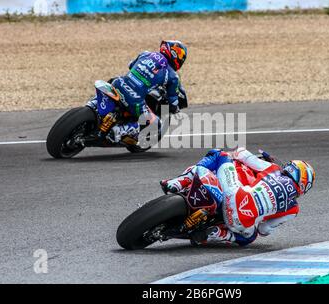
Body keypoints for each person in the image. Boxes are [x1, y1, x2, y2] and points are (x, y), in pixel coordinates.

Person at [161, 147, 316, 246]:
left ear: (291, 168)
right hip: (239, 222)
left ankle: (177, 182)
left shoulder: (273, 169)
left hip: (232, 195)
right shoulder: (293, 209)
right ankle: (218, 233)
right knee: (251, 237)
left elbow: (241, 154)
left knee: (219, 154)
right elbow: (264, 229)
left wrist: (260, 157)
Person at [87, 40, 187, 144]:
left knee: (112, 83)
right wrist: (175, 108)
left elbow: (131, 65)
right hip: (134, 98)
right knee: (156, 124)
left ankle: (93, 105)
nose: (180, 58)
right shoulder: (173, 76)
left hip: (119, 83)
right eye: (180, 54)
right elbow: (173, 99)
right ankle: (117, 132)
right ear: (174, 53)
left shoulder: (146, 53)